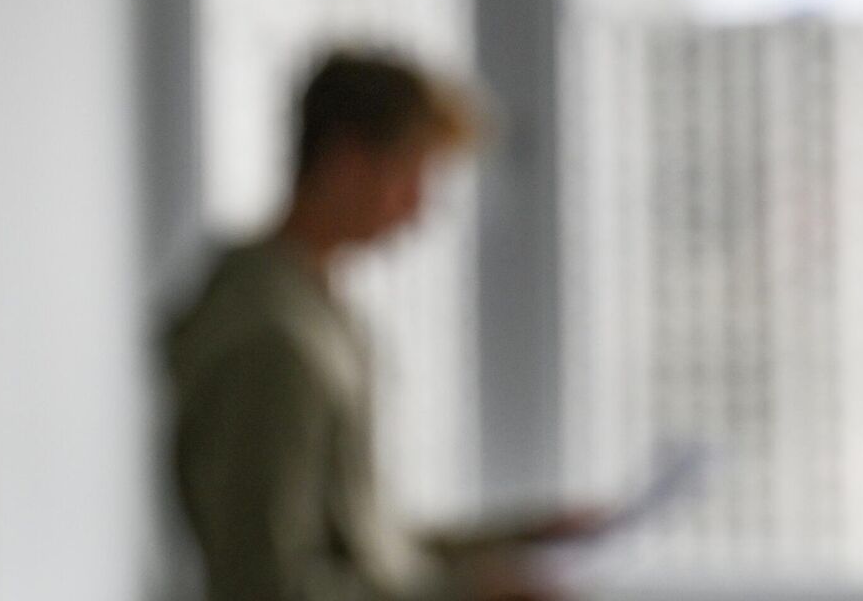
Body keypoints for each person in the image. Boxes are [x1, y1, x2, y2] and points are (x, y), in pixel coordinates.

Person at [165, 48, 599, 601]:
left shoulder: (314, 309)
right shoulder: (272, 339)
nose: (418, 208)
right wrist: (465, 594)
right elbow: (265, 586)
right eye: (412, 174)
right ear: (347, 160)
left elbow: (368, 550)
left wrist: (521, 540)